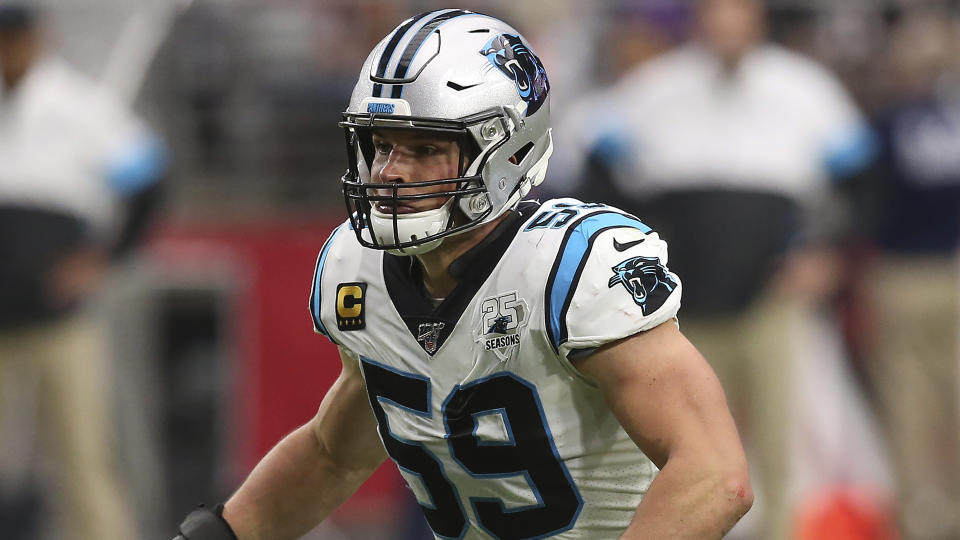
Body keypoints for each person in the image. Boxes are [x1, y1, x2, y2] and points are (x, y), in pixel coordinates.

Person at [173, 9, 752, 540]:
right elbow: (333, 454)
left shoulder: (570, 267)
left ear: (506, 153)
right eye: (382, 146)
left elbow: (713, 475)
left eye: (425, 149)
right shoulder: (362, 270)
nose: (392, 172)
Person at [566, 1, 877, 537]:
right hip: (679, 306)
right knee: (683, 440)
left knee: (777, 438)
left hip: (768, 297)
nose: (728, 24)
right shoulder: (655, 90)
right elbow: (598, 173)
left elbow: (863, 182)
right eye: (717, 11)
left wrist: (826, 254)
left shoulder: (802, 88)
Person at [0, 3, 166, 539]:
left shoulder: (76, 107)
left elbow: (148, 181)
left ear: (35, 40)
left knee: (82, 459)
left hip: (59, 321)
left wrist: (102, 259)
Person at [862, 9, 960, 539]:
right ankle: (924, 511)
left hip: (925, 271)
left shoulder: (913, 120)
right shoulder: (915, 121)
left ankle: (930, 512)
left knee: (926, 399)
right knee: (922, 399)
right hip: (918, 270)